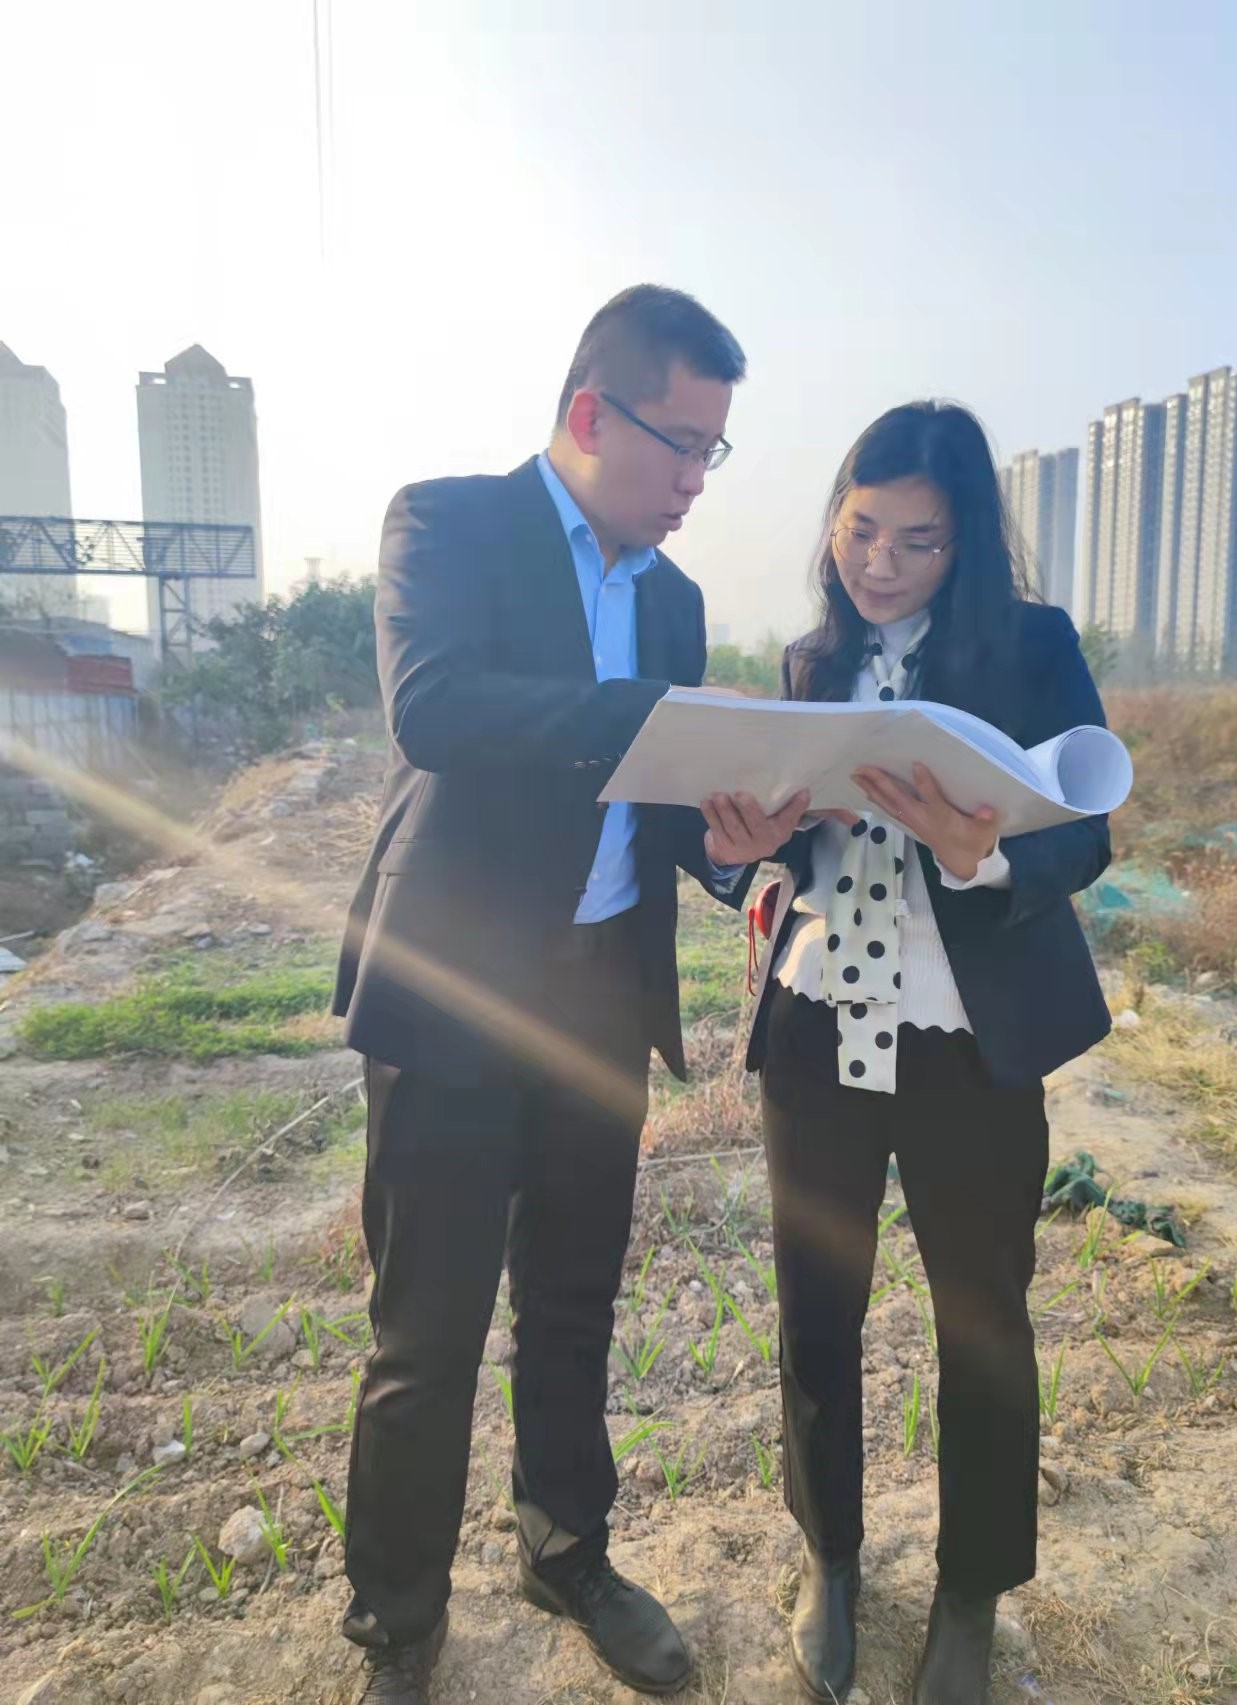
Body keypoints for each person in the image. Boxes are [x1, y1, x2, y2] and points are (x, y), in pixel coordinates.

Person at [332, 284, 807, 1705]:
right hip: (456, 992)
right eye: (682, 445)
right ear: (593, 413)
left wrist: (729, 844)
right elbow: (434, 707)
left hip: (602, 993)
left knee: (573, 1301)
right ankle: (397, 1623)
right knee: (425, 1333)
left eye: (715, 451)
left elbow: (663, 811)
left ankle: (566, 1547)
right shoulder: (447, 523)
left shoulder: (673, 602)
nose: (696, 481)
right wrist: (653, 718)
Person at [701, 402, 1113, 1705]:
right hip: (820, 1019)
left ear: (965, 541)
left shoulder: (1033, 647)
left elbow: (1088, 829)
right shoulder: (812, 659)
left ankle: (970, 1594)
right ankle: (829, 1556)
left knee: (981, 1319)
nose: (879, 563)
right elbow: (780, 841)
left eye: (917, 541)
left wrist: (979, 854)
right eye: (860, 529)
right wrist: (739, 848)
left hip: (966, 1036)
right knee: (816, 1309)